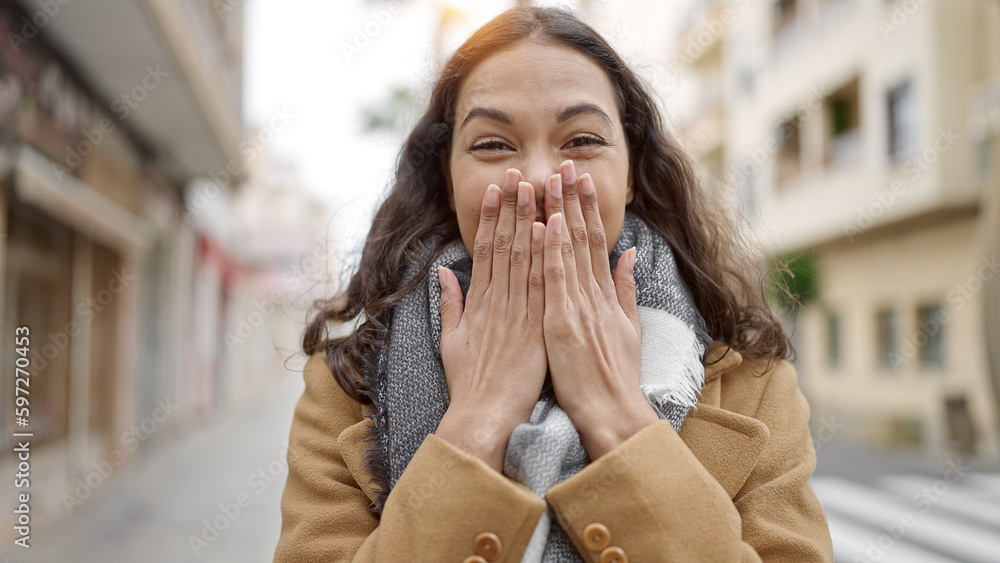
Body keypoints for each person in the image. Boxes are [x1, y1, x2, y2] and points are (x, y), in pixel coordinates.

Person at [273, 6, 834, 563]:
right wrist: (478, 422)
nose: (540, 179)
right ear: (447, 181)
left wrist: (617, 418)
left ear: (632, 174)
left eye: (582, 140)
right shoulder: (344, 388)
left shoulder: (756, 384)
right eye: (493, 144)